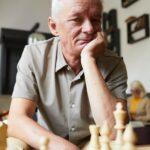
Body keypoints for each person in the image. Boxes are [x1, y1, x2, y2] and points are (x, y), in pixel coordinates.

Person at [7, 0, 128, 149]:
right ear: (54, 27)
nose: (89, 29)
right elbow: (16, 121)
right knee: (14, 144)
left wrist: (88, 60)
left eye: (95, 19)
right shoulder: (34, 55)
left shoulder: (114, 63)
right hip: (48, 143)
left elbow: (114, 131)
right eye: (77, 19)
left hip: (93, 144)